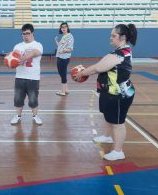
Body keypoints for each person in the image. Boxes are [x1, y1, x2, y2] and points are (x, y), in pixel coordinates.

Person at [75, 24, 137, 161]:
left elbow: (98, 67)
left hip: (119, 95)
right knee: (110, 117)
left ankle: (118, 151)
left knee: (118, 124)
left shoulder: (120, 54)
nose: (110, 38)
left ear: (123, 37)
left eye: (113, 36)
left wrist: (82, 73)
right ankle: (108, 137)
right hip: (110, 92)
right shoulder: (120, 51)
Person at [10, 23, 43, 125]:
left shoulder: (38, 45)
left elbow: (35, 53)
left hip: (33, 77)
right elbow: (13, 58)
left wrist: (23, 58)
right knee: (18, 99)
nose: (25, 36)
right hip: (20, 77)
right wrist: (10, 61)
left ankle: (35, 116)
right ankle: (18, 116)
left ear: (32, 33)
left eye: (27, 33)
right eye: (23, 34)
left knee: (33, 99)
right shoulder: (18, 46)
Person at [54, 22, 74, 96]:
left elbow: (70, 49)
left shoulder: (70, 36)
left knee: (62, 74)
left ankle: (63, 91)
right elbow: (61, 47)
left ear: (67, 28)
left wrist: (63, 50)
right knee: (62, 73)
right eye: (62, 27)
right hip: (59, 57)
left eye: (65, 27)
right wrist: (56, 41)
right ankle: (66, 89)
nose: (63, 28)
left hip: (64, 58)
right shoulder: (64, 36)